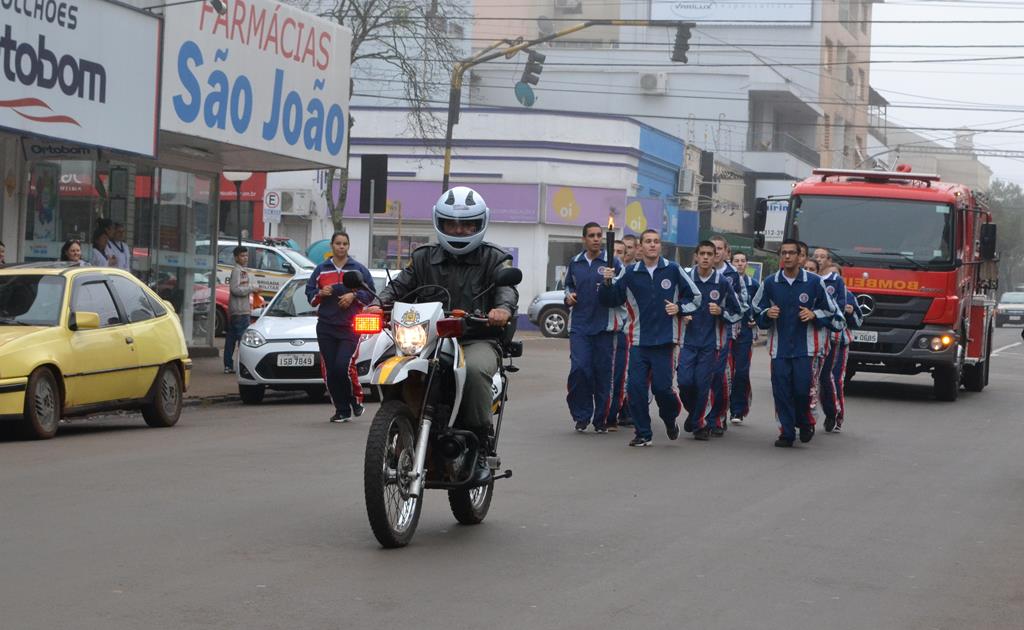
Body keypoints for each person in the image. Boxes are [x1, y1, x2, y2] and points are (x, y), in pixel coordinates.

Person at [368, 187, 518, 483]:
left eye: (466, 225)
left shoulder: (496, 259)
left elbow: (507, 291)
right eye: (451, 224)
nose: (459, 230)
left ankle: (479, 449)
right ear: (440, 223)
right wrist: (376, 304)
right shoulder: (423, 258)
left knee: (474, 370)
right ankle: (398, 428)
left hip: (476, 338)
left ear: (479, 225)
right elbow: (400, 286)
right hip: (428, 338)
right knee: (390, 358)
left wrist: (501, 309)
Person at [600, 229, 701, 447]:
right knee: (635, 389)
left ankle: (669, 417)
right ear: (640, 247)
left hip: (665, 341)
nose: (652, 245)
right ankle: (643, 433)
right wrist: (606, 283)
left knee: (662, 389)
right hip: (637, 341)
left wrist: (680, 307)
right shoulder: (629, 273)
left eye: (656, 241)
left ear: (660, 246)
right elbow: (610, 300)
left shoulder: (672, 270)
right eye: (648, 241)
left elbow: (695, 296)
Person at [752, 239, 845, 447]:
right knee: (782, 391)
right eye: (783, 253)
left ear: (799, 255)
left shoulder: (813, 282)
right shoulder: (770, 282)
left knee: (802, 390)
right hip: (779, 348)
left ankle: (805, 422)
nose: (787, 257)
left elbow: (832, 312)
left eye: (791, 253)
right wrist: (768, 313)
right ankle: (786, 432)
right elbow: (756, 309)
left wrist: (814, 313)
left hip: (807, 348)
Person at [305, 232, 375, 423]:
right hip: (326, 326)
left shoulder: (358, 269)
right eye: (338, 243)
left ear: (348, 246)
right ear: (332, 246)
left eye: (344, 244)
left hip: (349, 327)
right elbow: (310, 294)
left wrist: (353, 296)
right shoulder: (321, 270)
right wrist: (320, 293)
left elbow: (371, 293)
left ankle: (355, 399)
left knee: (341, 366)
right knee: (331, 370)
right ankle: (341, 409)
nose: (341, 247)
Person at [677, 241, 742, 440]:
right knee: (684, 382)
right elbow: (673, 302)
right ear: (696, 256)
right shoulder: (685, 278)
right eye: (702, 253)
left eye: (710, 254)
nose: (705, 257)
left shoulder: (723, 282)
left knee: (703, 383)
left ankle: (699, 424)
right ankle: (695, 413)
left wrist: (721, 312)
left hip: (711, 343)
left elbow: (737, 311)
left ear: (716, 258)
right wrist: (681, 313)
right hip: (687, 341)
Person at [564, 223, 625, 434]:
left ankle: (601, 419)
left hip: (605, 327)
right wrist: (568, 296)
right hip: (580, 326)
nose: (597, 239)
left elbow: (624, 290)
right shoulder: (576, 262)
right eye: (592, 236)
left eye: (599, 235)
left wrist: (613, 280)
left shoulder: (613, 262)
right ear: (584, 239)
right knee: (580, 370)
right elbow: (568, 285)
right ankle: (581, 416)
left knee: (603, 375)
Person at [707, 235, 748, 436]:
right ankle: (702, 414)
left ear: (726, 252)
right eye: (711, 248)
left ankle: (718, 416)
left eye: (719, 248)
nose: (715, 252)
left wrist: (723, 313)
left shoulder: (733, 276)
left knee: (720, 375)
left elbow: (743, 305)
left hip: (726, 333)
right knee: (699, 377)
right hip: (700, 334)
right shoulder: (697, 272)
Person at [813, 250, 850, 432]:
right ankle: (805, 417)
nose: (818, 259)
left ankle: (834, 413)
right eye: (815, 256)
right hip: (807, 338)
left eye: (822, 257)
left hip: (831, 337)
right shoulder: (806, 280)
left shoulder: (835, 282)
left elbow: (839, 309)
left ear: (828, 261)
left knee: (828, 378)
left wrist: (818, 316)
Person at [829, 266, 862, 432]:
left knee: (835, 380)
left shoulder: (848, 295)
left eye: (836, 275)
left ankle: (836, 416)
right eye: (829, 274)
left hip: (839, 343)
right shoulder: (818, 290)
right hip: (818, 345)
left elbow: (858, 321)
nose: (832, 278)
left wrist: (850, 312)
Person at [729, 251, 760, 425]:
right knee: (724, 371)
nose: (739, 264)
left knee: (741, 371)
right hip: (727, 330)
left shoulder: (754, 284)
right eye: (736, 261)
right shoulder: (726, 281)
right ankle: (720, 407)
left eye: (742, 261)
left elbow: (759, 305)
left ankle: (738, 409)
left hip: (745, 332)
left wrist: (756, 318)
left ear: (747, 264)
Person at [224, 246, 262, 375]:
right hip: (240, 311)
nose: (245, 258)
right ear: (236, 257)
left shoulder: (242, 271)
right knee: (243, 341)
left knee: (231, 339)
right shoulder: (237, 271)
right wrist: (252, 288)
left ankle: (228, 365)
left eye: (246, 255)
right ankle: (243, 367)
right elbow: (235, 289)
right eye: (242, 256)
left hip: (239, 310)